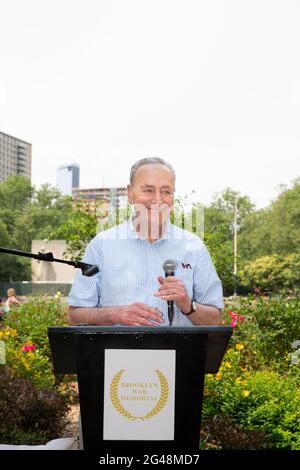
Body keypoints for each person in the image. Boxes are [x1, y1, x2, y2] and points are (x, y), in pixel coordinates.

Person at [68, 157, 224, 326]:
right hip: (117, 351)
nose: (157, 200)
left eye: (166, 191)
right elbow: (75, 316)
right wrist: (113, 314)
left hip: (179, 351)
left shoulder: (194, 247)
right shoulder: (101, 246)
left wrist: (187, 304)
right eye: (148, 190)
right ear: (130, 194)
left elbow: (214, 319)